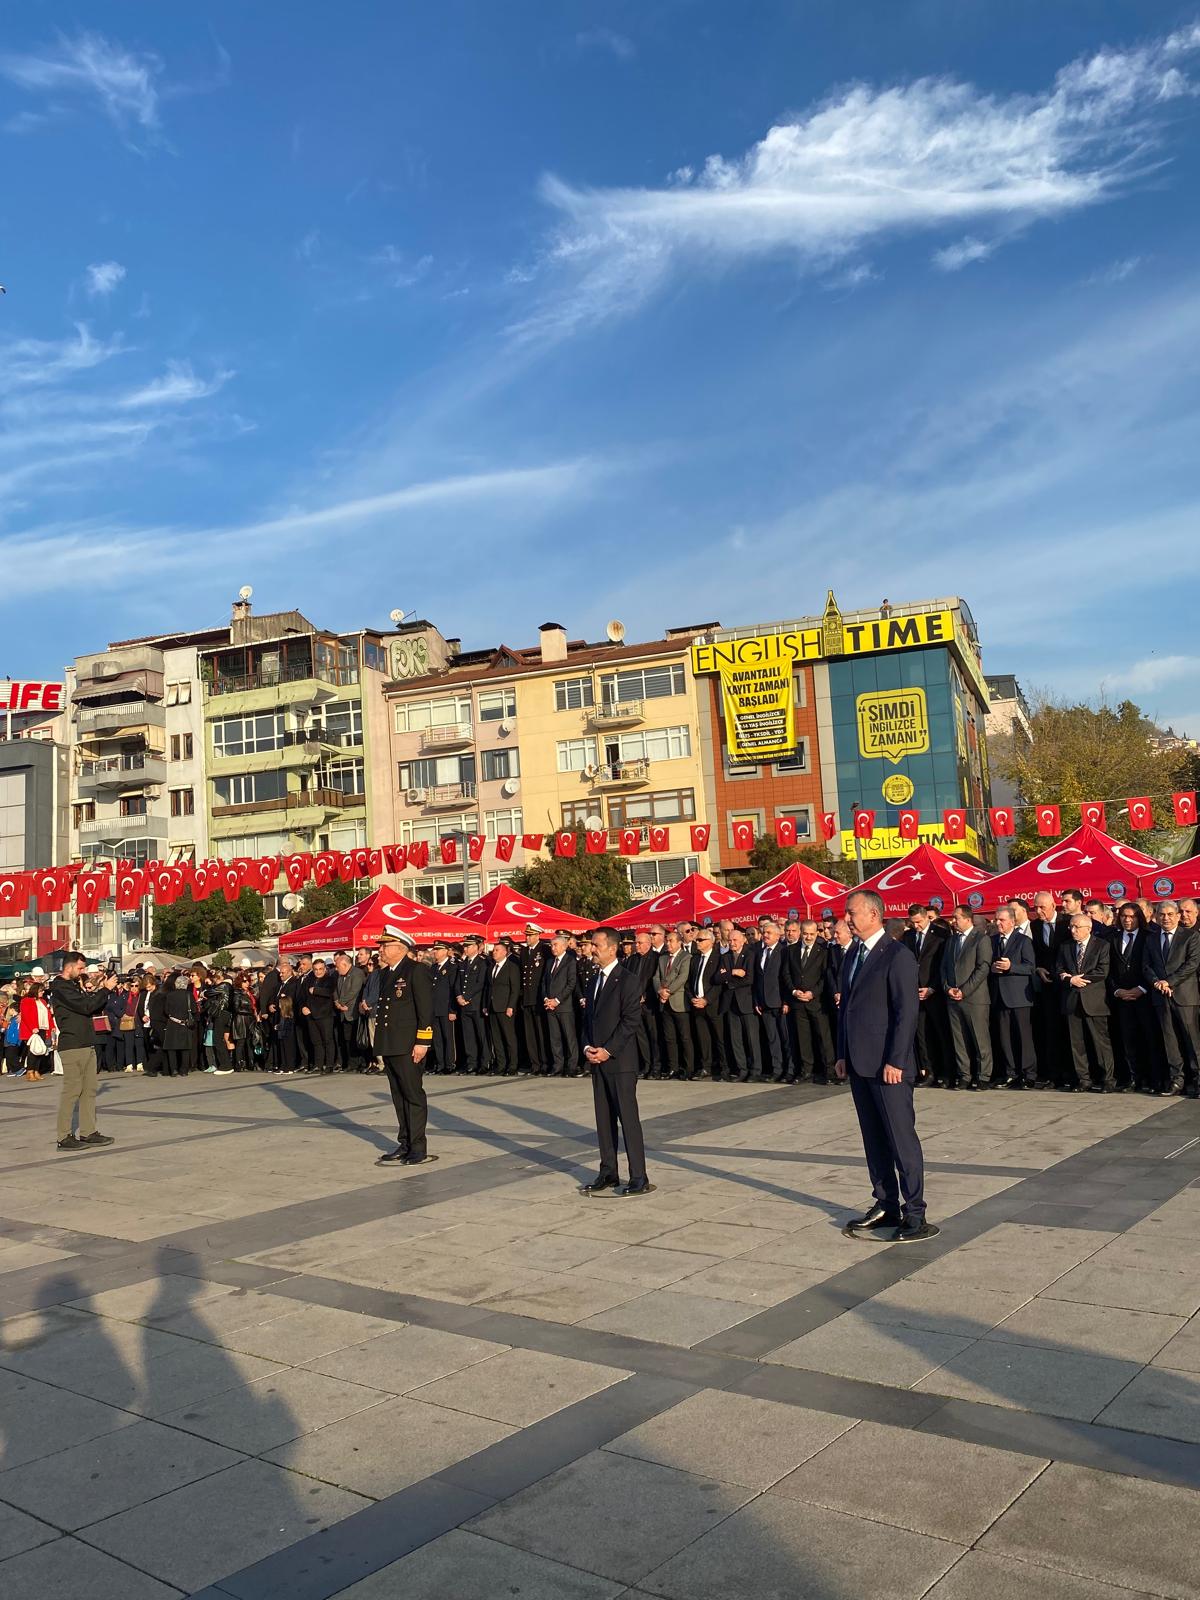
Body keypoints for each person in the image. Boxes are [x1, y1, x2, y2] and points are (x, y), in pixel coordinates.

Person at [835, 889, 933, 1242]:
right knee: (874, 1139)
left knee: (900, 1138)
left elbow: (907, 1013)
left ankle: (915, 1212)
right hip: (860, 1064)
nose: (847, 918)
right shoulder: (852, 955)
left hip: (888, 1065)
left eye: (852, 912)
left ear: (873, 915)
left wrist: (896, 1059)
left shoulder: (897, 955)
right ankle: (885, 1202)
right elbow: (847, 1008)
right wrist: (842, 1052)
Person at [581, 925, 650, 1195]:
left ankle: (638, 1176)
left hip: (620, 1062)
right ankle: (608, 1171)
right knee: (603, 1118)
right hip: (597, 1060)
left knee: (628, 1119)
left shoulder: (629, 980)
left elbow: (630, 1021)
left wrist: (608, 1050)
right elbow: (588, 1019)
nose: (592, 950)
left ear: (612, 948)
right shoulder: (593, 979)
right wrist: (588, 1047)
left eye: (596, 945)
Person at [373, 929, 436, 1166]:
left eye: (385, 946)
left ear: (401, 947)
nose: (380, 949)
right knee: (398, 1096)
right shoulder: (385, 973)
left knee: (412, 1095)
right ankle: (405, 1142)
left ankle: (418, 1146)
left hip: (409, 1044)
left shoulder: (415, 970)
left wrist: (423, 1041)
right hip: (391, 1043)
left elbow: (425, 1009)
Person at [49, 953, 120, 1151]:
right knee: (72, 1090)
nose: (82, 972)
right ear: (69, 967)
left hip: (87, 1042)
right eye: (80, 968)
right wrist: (104, 990)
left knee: (89, 1090)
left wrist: (102, 990)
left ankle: (88, 1131)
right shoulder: (61, 987)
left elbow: (92, 1007)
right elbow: (85, 1006)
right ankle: (64, 1136)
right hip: (72, 1044)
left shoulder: (74, 986)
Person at [1142, 899, 1200, 1097]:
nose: (1165, 918)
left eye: (1169, 914)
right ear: (1156, 917)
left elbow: (1192, 964)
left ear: (1177, 916)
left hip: (1184, 996)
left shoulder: (1190, 937)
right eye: (1161, 915)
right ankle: (1177, 1080)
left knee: (1192, 1041)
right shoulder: (1151, 938)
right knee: (1170, 1041)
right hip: (1160, 995)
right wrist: (1157, 982)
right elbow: (1146, 965)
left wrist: (1170, 981)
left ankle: (1198, 1080)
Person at [1057, 911, 1115, 1091]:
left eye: (1077, 927)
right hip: (1072, 1000)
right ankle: (1083, 1079)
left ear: (1088, 928)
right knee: (1077, 1044)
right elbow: (1058, 968)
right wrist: (1068, 979)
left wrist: (1078, 978)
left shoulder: (1102, 945)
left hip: (1094, 1001)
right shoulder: (1065, 946)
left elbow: (1102, 971)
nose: (1073, 930)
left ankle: (1108, 1080)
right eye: (1071, 927)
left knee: (1100, 1043)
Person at [940, 905, 994, 1089]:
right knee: (959, 1039)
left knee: (980, 1039)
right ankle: (965, 1075)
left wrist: (965, 989)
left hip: (974, 998)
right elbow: (944, 967)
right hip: (952, 998)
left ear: (968, 919)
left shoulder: (981, 939)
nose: (953, 921)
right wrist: (948, 988)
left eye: (957, 917)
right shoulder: (951, 940)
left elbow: (983, 967)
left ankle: (983, 1076)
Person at [1108, 902, 1156, 1092]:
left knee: (1148, 1038)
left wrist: (1143, 988)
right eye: (1123, 916)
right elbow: (1109, 969)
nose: (1127, 920)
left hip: (1144, 995)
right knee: (1127, 1040)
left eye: (1132, 916)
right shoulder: (1113, 938)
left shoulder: (1149, 938)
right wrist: (1117, 990)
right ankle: (1133, 1078)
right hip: (1122, 997)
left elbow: (1153, 965)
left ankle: (1151, 1079)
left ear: (1139, 918)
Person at [903, 905, 950, 1087]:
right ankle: (929, 1071)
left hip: (935, 992)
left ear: (927, 918)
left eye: (919, 922)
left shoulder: (940, 935)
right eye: (913, 923)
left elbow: (943, 965)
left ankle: (946, 1073)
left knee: (941, 1033)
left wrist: (933, 987)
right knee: (922, 1035)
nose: (916, 926)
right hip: (916, 993)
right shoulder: (907, 937)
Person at [990, 906, 1037, 1088]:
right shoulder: (992, 940)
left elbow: (1030, 967)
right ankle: (1010, 1073)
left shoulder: (1023, 941)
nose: (998, 923)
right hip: (999, 995)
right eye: (996, 919)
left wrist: (1011, 967)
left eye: (1001, 920)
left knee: (1023, 1036)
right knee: (1004, 1037)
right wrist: (992, 969)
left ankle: (1028, 1074)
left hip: (1019, 996)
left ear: (1012, 921)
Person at [783, 919, 833, 1084]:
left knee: (822, 1037)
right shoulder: (791, 950)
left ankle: (829, 1071)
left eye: (812, 934)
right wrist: (794, 991)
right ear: (801, 932)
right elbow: (786, 974)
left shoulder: (823, 951)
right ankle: (806, 1071)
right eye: (806, 933)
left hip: (816, 1002)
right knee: (803, 1039)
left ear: (817, 933)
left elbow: (825, 976)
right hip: (798, 1001)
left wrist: (813, 993)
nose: (809, 937)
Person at [753, 918, 791, 1083]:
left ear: (778, 935)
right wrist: (756, 1000)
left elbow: (785, 978)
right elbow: (757, 978)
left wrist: (786, 1001)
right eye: (764, 932)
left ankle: (789, 1070)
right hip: (764, 1002)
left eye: (769, 933)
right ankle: (777, 1069)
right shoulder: (760, 952)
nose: (765, 935)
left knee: (785, 1038)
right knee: (772, 1038)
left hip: (779, 1001)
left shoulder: (783, 952)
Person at [656, 929, 695, 1080]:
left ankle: (688, 1068)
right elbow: (656, 977)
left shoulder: (686, 957)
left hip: (679, 1002)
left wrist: (668, 991)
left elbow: (682, 977)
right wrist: (660, 991)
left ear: (679, 942)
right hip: (664, 1002)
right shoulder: (662, 958)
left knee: (685, 1037)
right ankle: (673, 1068)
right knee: (669, 1037)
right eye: (667, 940)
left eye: (671, 940)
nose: (668, 943)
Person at [541, 930, 580, 1077]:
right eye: (551, 945)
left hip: (564, 1006)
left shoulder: (570, 961)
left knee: (569, 1037)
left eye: (556, 945)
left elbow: (571, 984)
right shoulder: (550, 961)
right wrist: (546, 999)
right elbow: (544, 983)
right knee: (555, 1038)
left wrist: (557, 1000)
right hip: (550, 1006)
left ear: (564, 946)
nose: (553, 948)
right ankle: (558, 1066)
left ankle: (572, 1067)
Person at [687, 927, 724, 1080]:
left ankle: (724, 1067)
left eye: (701, 940)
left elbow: (719, 984)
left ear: (711, 942)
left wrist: (706, 1000)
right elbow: (690, 982)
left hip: (713, 1005)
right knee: (703, 1038)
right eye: (697, 939)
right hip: (697, 1004)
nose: (697, 942)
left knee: (719, 1037)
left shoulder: (719, 957)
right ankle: (705, 1067)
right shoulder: (695, 958)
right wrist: (693, 998)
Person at [485, 938, 520, 1075]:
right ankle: (501, 1065)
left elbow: (515, 989)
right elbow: (489, 988)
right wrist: (486, 1005)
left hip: (505, 1007)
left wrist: (511, 1006)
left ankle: (513, 1066)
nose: (494, 952)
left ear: (505, 952)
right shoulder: (491, 968)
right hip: (493, 1007)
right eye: (493, 950)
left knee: (509, 1038)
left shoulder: (512, 967)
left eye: (497, 950)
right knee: (497, 1038)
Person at [517, 924, 548, 1074]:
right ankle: (534, 1064)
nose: (527, 938)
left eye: (530, 935)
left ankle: (544, 1063)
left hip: (538, 998)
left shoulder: (544, 949)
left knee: (540, 1033)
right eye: (526, 935)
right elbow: (523, 974)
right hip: (527, 997)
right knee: (530, 1034)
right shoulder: (524, 951)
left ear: (537, 935)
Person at [456, 935, 490, 1074]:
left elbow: (480, 983)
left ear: (476, 947)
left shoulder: (482, 962)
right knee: (468, 1035)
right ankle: (472, 1063)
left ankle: (485, 1062)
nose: (466, 948)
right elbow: (458, 982)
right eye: (465, 946)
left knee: (481, 1035)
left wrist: (467, 997)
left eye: (468, 946)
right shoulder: (463, 964)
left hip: (475, 1003)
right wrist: (459, 995)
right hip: (464, 1005)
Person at [427, 941, 459, 1074]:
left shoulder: (452, 967)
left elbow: (453, 990)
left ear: (446, 951)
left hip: (446, 1009)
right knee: (437, 1039)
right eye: (435, 950)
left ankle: (450, 1064)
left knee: (448, 1038)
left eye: (438, 950)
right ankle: (440, 1064)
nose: (435, 952)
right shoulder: (433, 968)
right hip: (435, 1009)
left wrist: (452, 1010)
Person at [302, 957, 337, 1073]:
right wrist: (303, 1007)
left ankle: (329, 1065)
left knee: (328, 1040)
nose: (318, 971)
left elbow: (329, 992)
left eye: (320, 969)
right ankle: (318, 1064)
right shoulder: (309, 980)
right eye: (316, 969)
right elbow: (302, 996)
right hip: (311, 1015)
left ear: (325, 969)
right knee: (316, 1041)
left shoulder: (330, 979)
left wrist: (316, 990)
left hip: (325, 1014)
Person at [333, 952, 366, 1073]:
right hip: (343, 1011)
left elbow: (354, 991)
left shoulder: (357, 973)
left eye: (338, 966)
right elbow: (336, 990)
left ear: (345, 964)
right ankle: (351, 1063)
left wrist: (341, 1002)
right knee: (347, 1039)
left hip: (353, 1011)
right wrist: (337, 1002)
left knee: (356, 1039)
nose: (336, 969)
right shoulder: (340, 976)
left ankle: (359, 1063)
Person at [17, 979, 53, 1084]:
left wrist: (51, 1026)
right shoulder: (26, 1000)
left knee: (40, 1051)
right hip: (31, 1030)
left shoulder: (42, 1001)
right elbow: (26, 1016)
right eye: (41, 991)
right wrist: (33, 1027)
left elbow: (48, 1015)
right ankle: (30, 1071)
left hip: (42, 1028)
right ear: (35, 990)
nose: (43, 993)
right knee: (32, 1051)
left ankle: (37, 1070)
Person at [160, 973, 196, 1077]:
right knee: (185, 1048)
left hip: (172, 1023)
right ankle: (184, 1070)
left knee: (172, 1048)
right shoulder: (189, 995)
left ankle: (173, 1069)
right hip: (185, 1024)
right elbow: (193, 1010)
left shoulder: (170, 995)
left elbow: (166, 1011)